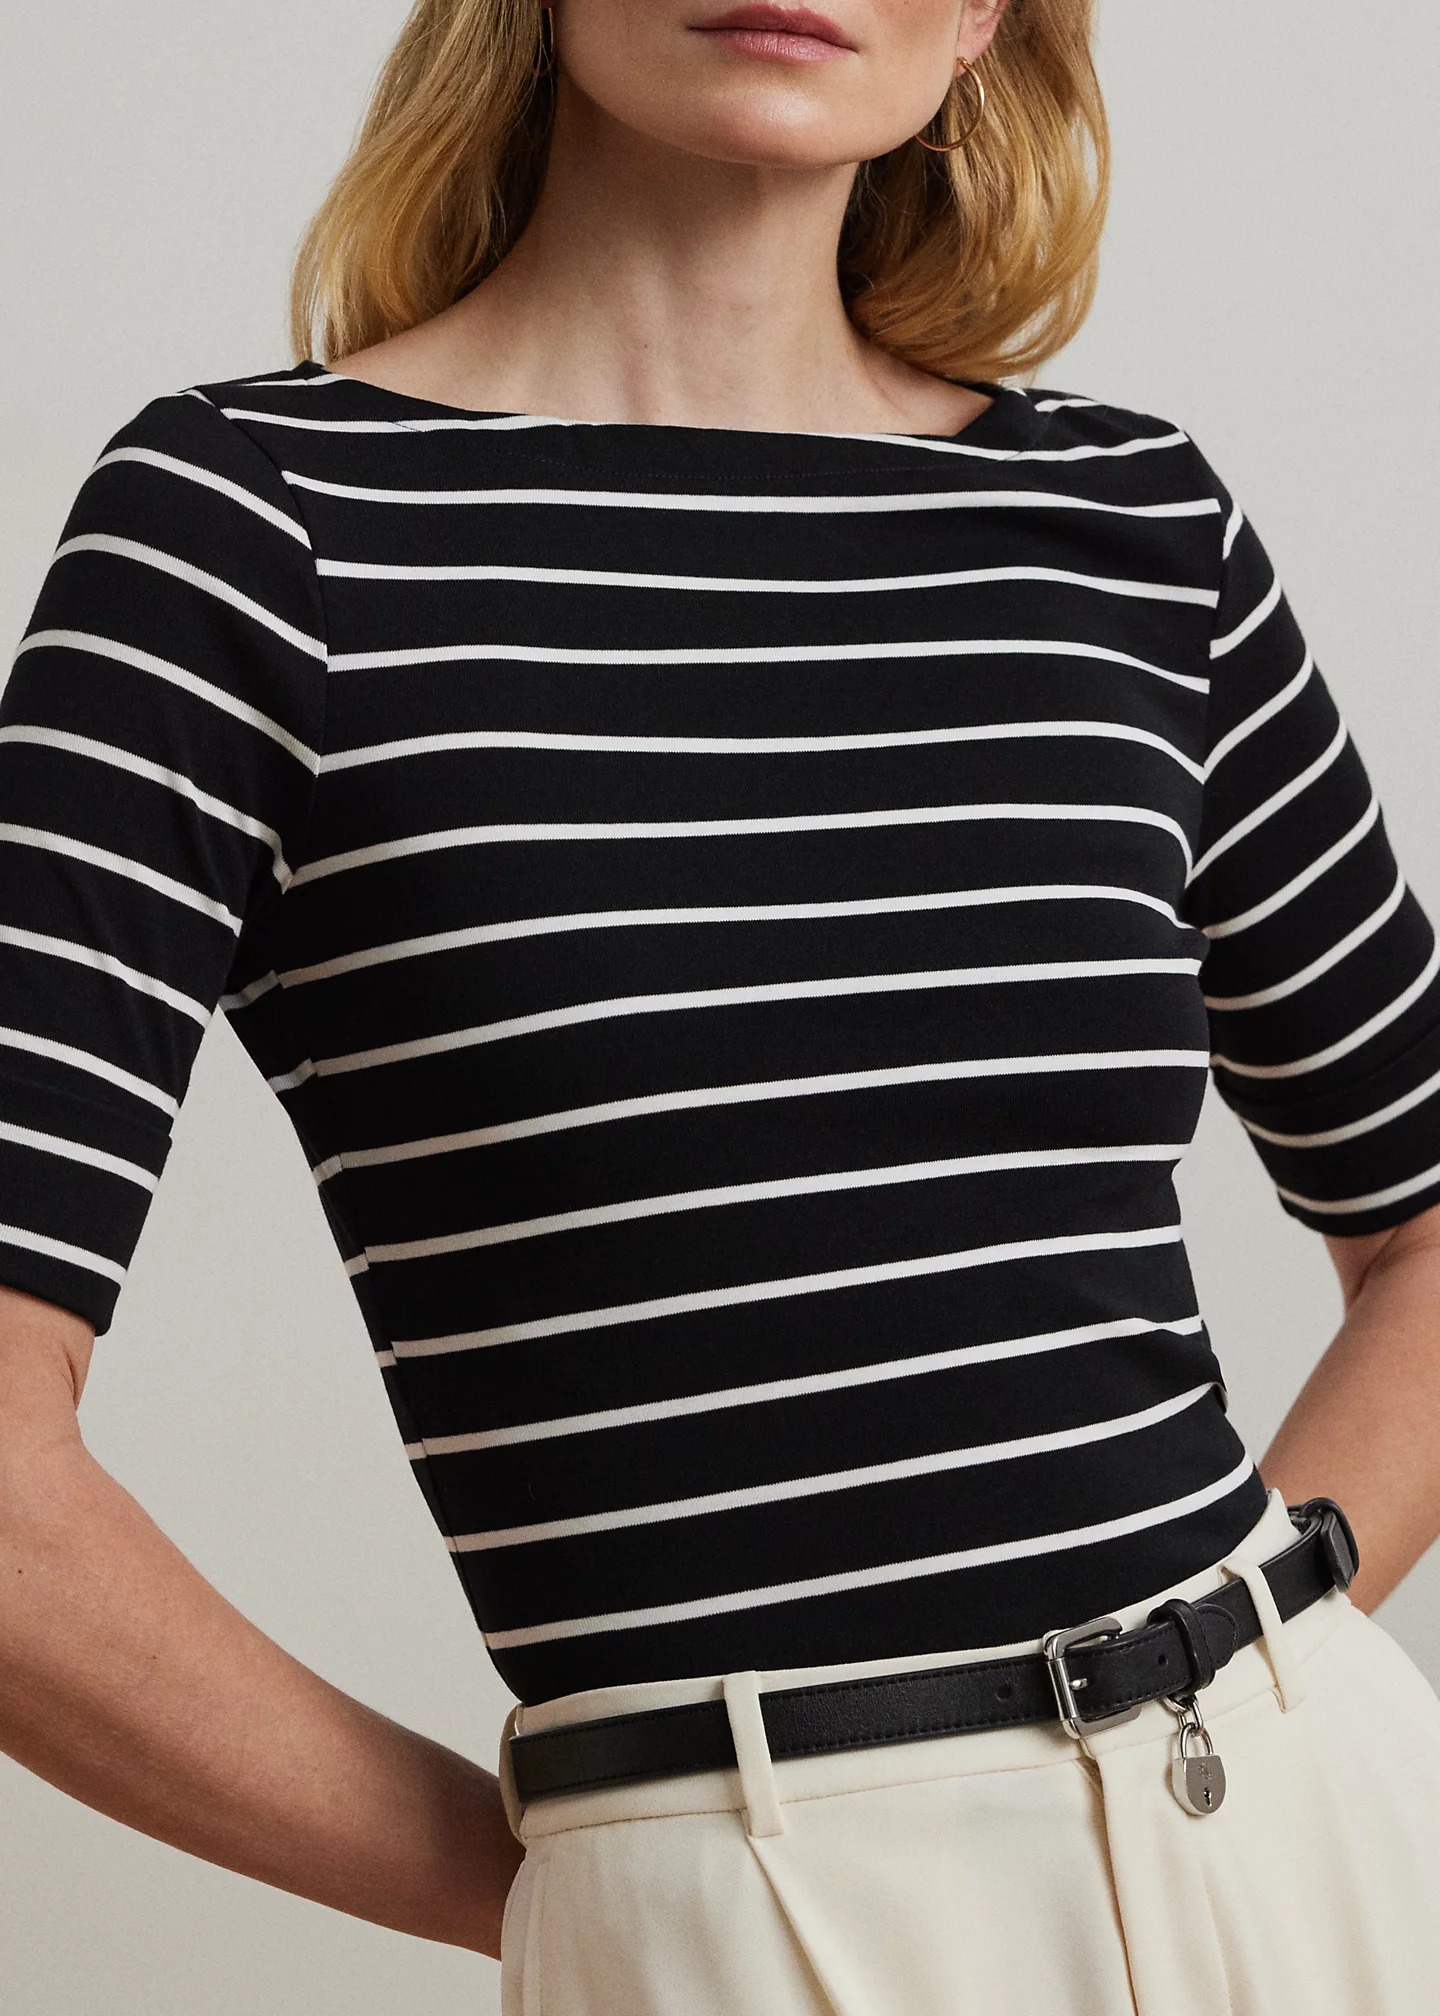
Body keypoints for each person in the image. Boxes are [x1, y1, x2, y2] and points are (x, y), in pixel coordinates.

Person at [3, 0, 1440, 2008]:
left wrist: (1265, 1643)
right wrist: (588, 1871)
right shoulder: (251, 536)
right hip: (749, 1913)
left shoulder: (1134, 530)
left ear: (987, 17)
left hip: (1309, 1837)